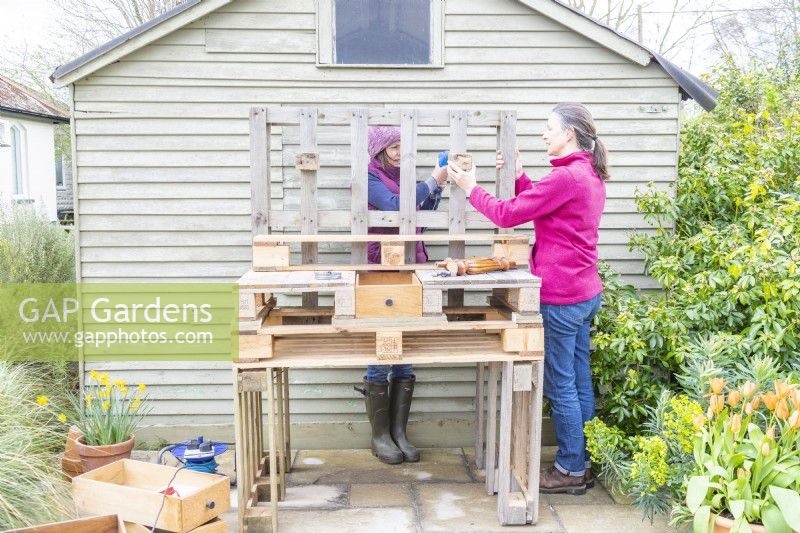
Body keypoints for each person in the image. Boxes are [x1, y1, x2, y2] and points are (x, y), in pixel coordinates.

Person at [447, 103, 607, 494]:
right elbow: (545, 207)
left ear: (569, 133)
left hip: (562, 297)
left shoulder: (567, 177)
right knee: (580, 380)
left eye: (549, 128)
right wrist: (518, 175)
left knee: (561, 384)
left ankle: (570, 469)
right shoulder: (584, 172)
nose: (543, 134)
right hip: (585, 292)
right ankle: (584, 461)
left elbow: (506, 214)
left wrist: (470, 187)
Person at [360, 125, 448, 464]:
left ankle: (399, 432)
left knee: (406, 347)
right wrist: (431, 180)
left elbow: (421, 215)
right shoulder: (370, 175)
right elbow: (396, 207)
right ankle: (380, 436)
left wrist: (436, 187)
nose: (398, 152)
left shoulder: (407, 174)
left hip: (414, 262)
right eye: (393, 146)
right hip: (381, 264)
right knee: (383, 343)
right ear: (380, 148)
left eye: (402, 146)